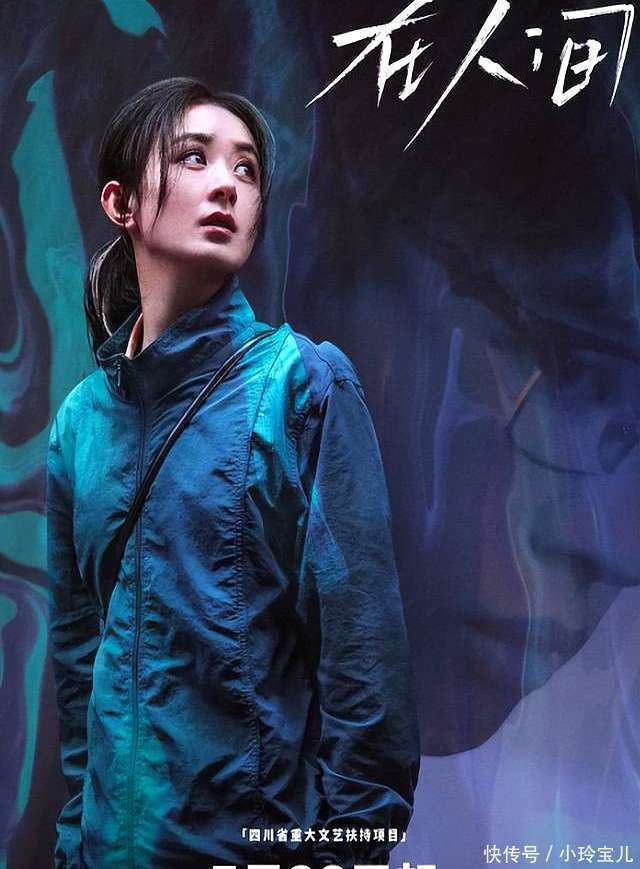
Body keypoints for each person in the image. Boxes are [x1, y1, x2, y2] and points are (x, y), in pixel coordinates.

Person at [46, 76, 420, 869]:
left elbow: (365, 672)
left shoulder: (302, 387)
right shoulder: (80, 424)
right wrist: (74, 842)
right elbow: (80, 668)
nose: (227, 184)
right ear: (120, 202)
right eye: (194, 157)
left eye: (246, 169)